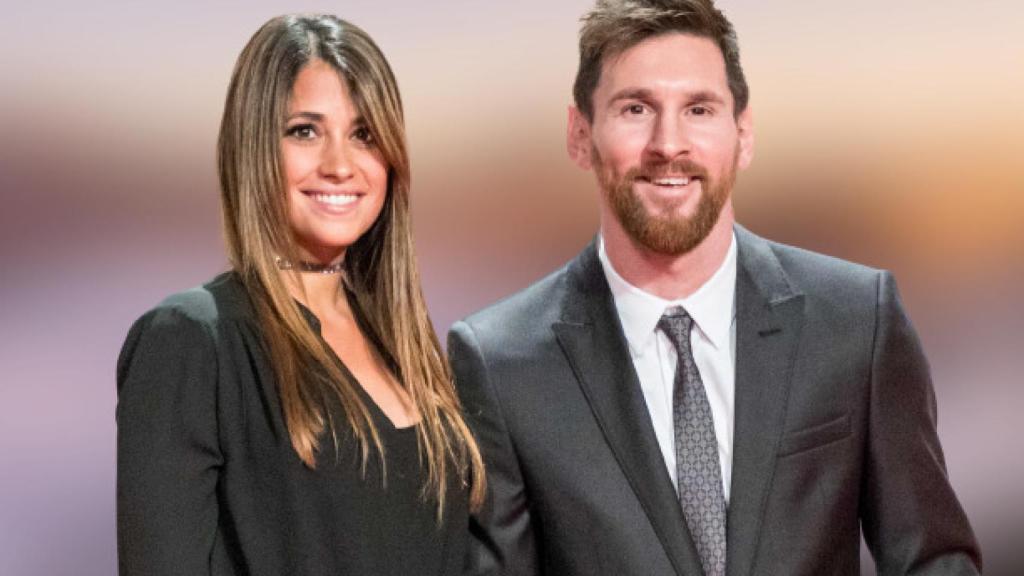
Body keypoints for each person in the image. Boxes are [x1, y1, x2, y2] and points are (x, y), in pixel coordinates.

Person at [447, 1, 981, 575]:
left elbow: (934, 558)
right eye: (635, 108)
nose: (668, 144)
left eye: (698, 108)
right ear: (581, 135)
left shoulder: (855, 320)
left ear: (743, 134)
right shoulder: (500, 362)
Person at [116, 14, 484, 576]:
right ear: (253, 146)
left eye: (364, 134)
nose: (340, 165)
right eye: (304, 131)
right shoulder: (193, 340)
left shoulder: (407, 349)